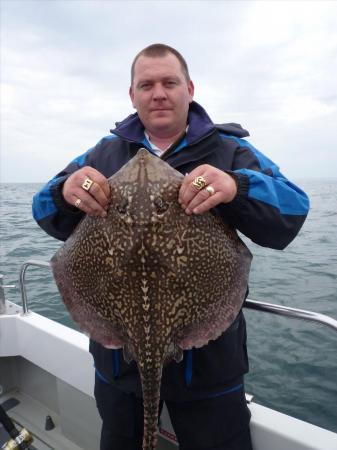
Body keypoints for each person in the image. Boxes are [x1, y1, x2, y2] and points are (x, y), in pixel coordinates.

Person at [32, 44, 309, 450]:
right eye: (146, 84)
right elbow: (43, 208)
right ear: (132, 95)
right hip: (117, 365)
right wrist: (64, 191)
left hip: (210, 370)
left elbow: (294, 209)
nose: (158, 93)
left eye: (169, 82)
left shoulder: (229, 151)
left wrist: (237, 185)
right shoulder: (103, 153)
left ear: (189, 89)